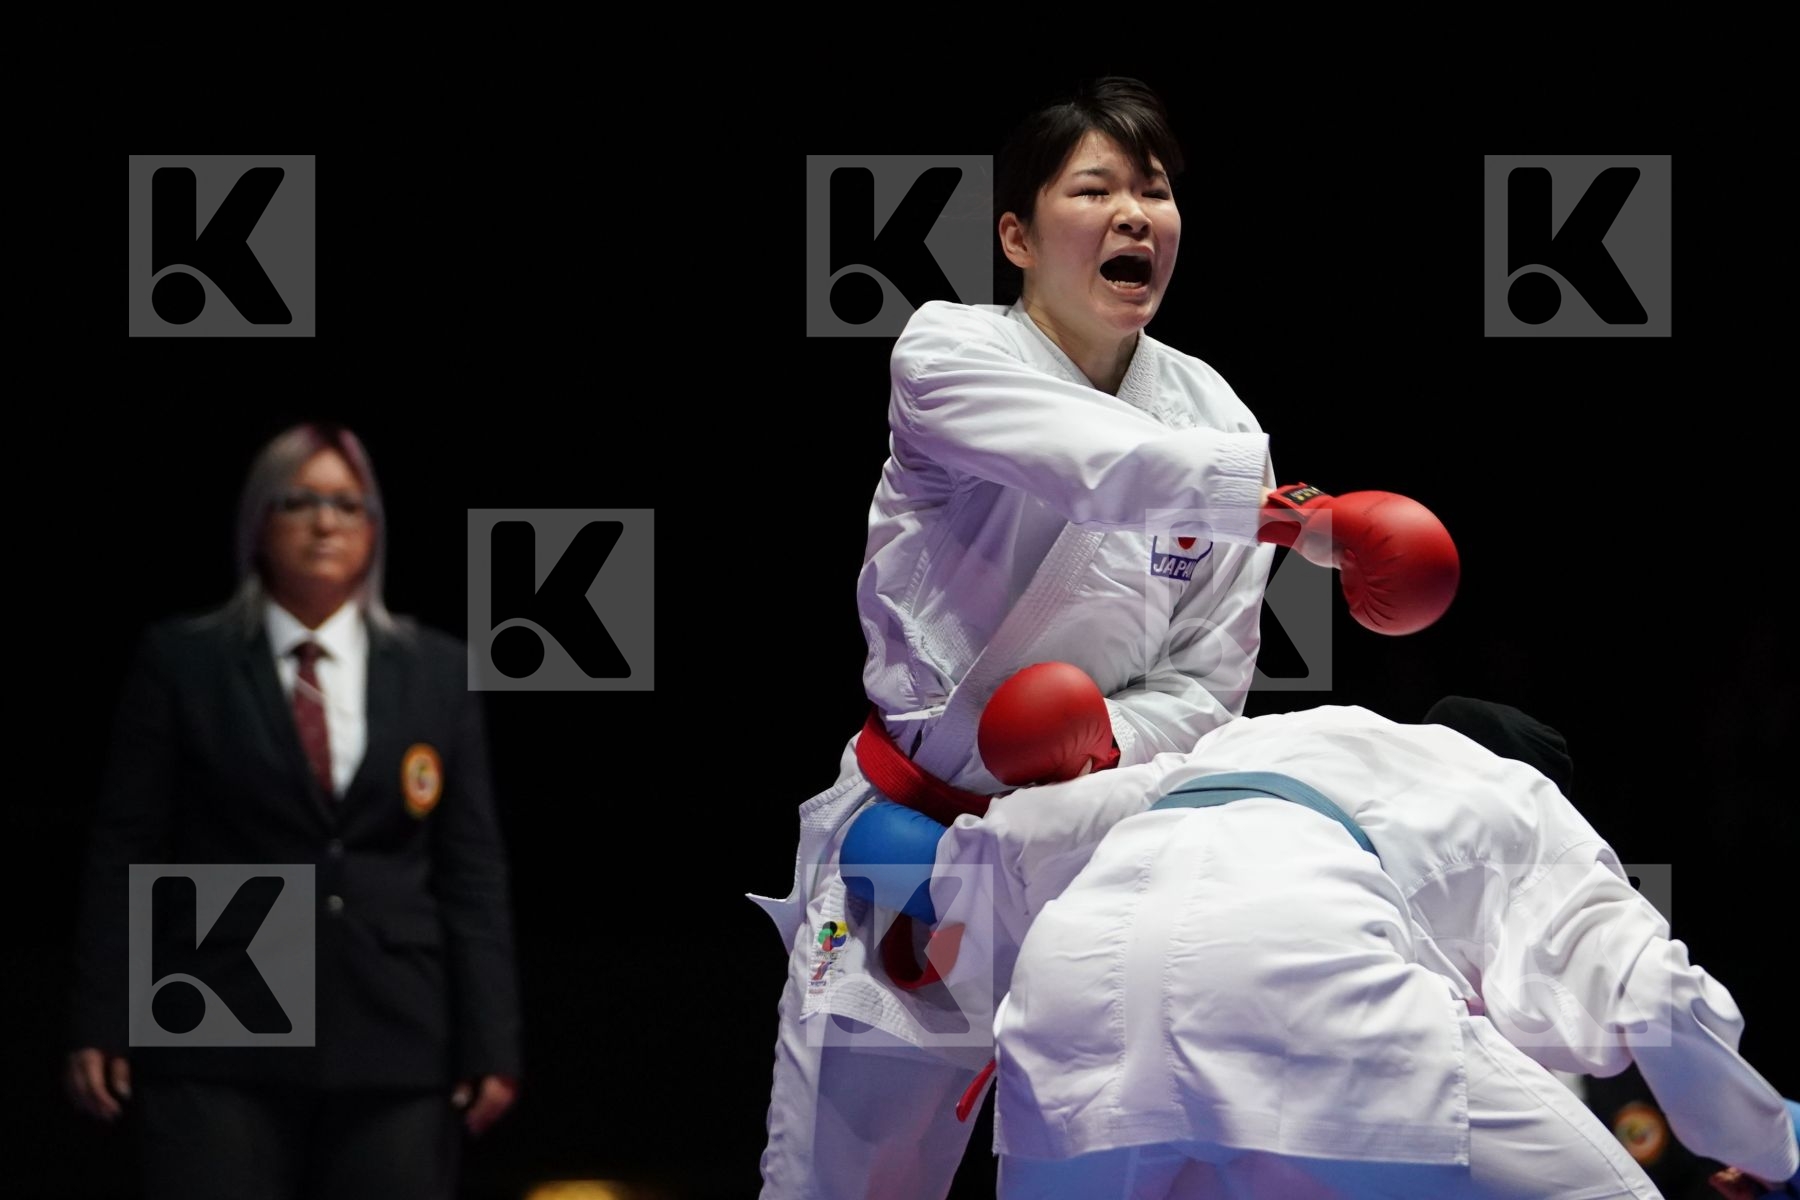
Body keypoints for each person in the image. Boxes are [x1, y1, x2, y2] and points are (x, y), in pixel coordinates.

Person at [750, 75, 1286, 1200]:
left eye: (1156, 192)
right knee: (841, 1186)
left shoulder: (1221, 421)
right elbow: (1099, 462)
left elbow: (1208, 683)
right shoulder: (947, 358)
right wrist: (1284, 511)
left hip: (1103, 859)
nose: (1138, 214)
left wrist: (1087, 741)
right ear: (1016, 233)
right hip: (916, 853)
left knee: (1114, 1178)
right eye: (1097, 189)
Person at [924, 701, 1800, 1198]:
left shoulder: (1255, 738)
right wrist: (1766, 1143)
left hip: (1073, 989)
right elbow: (1652, 994)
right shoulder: (1512, 793)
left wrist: (926, 876)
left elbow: (1039, 829)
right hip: (1293, 973)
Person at [64, 423, 523, 1200]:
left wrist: (493, 1039)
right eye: (299, 500)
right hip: (219, 1003)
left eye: (348, 504)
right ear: (256, 522)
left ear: (374, 528)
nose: (325, 522)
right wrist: (101, 1016)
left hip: (394, 1018)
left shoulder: (437, 669)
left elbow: (472, 866)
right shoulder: (185, 659)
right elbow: (125, 847)